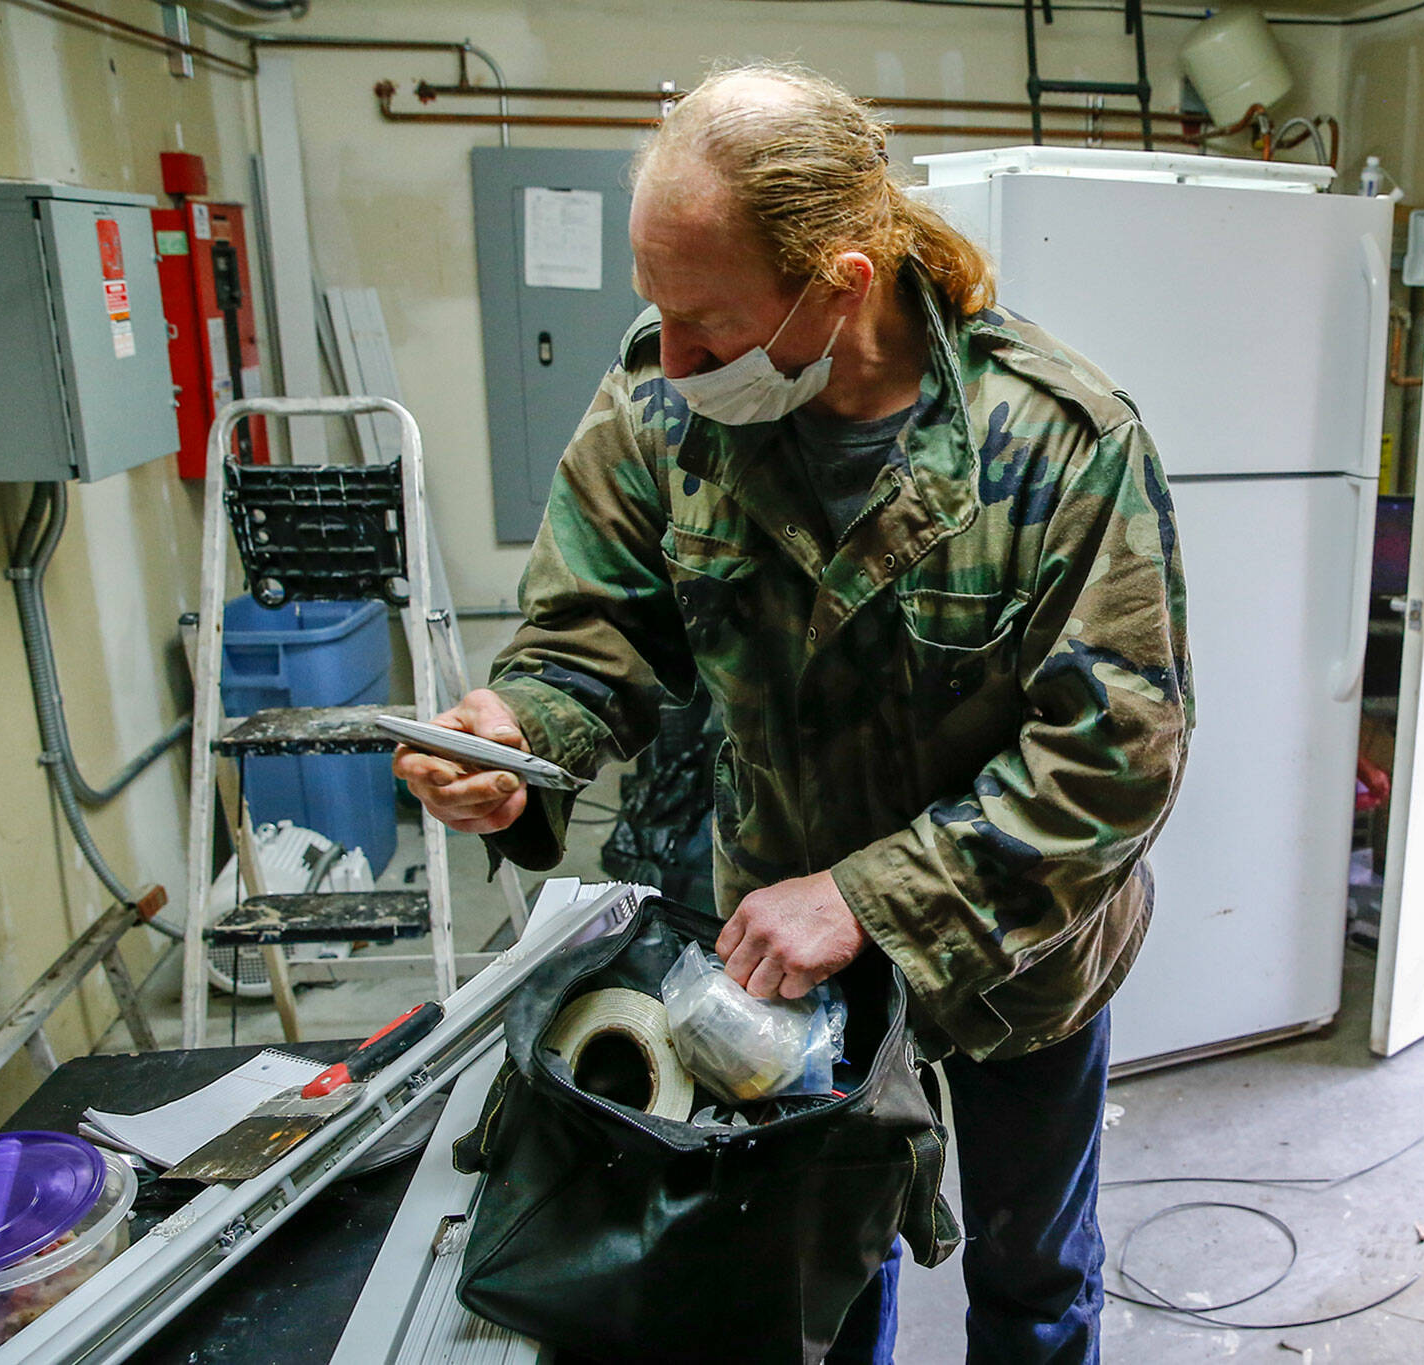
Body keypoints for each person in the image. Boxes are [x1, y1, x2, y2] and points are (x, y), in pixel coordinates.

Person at [394, 63, 1192, 1364]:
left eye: (706, 324)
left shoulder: (1054, 444)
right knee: (810, 1277)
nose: (671, 356)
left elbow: (1114, 757)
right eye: (656, 311)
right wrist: (519, 736)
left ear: (841, 286)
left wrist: (872, 895)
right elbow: (588, 640)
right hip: (772, 953)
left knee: (1031, 1273)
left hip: (1015, 960)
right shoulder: (660, 406)